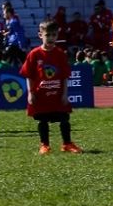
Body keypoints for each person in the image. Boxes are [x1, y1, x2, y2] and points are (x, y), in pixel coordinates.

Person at [19, 19, 83, 155]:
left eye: (54, 35)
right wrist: (31, 93)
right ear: (40, 35)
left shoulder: (60, 54)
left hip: (57, 94)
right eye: (48, 35)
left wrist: (65, 93)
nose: (51, 38)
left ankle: (67, 143)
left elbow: (65, 75)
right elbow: (28, 75)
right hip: (40, 95)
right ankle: (44, 145)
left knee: (65, 118)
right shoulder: (34, 54)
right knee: (42, 120)